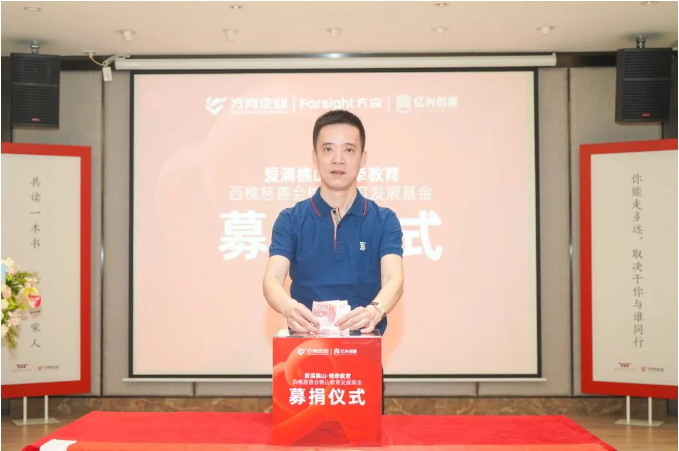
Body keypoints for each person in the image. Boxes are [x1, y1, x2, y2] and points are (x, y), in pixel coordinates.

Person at [263, 110, 404, 338]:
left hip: (363, 349)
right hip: (304, 350)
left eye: (349, 150)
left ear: (363, 158)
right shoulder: (291, 219)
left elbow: (394, 278)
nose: (338, 159)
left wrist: (375, 311)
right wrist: (288, 307)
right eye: (328, 149)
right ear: (314, 157)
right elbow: (272, 279)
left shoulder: (384, 220)